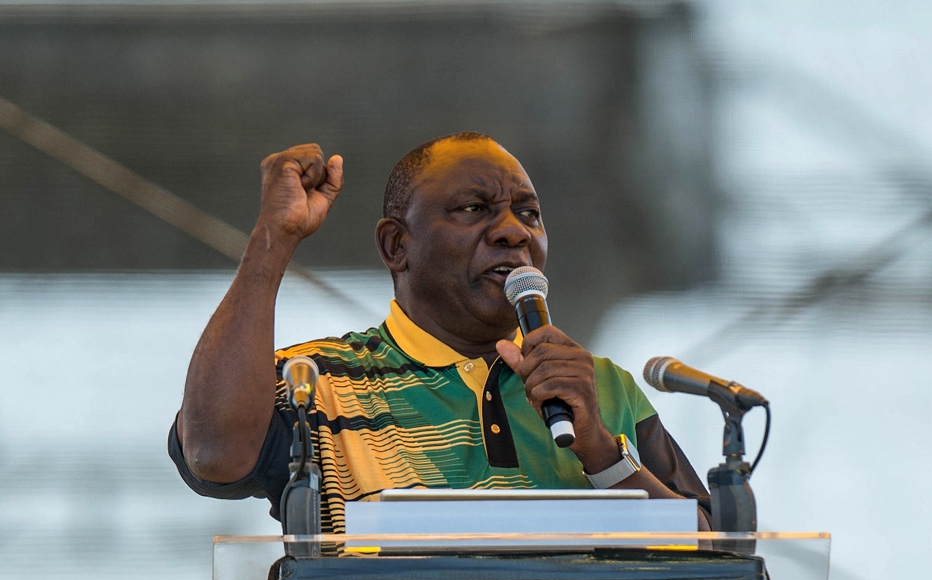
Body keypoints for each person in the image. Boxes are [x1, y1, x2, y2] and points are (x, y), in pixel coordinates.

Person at [168, 132, 711, 532]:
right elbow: (214, 453)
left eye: (529, 213)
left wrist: (600, 450)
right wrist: (273, 239)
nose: (513, 231)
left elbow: (721, 572)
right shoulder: (317, 382)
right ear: (396, 247)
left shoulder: (597, 387)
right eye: (475, 209)